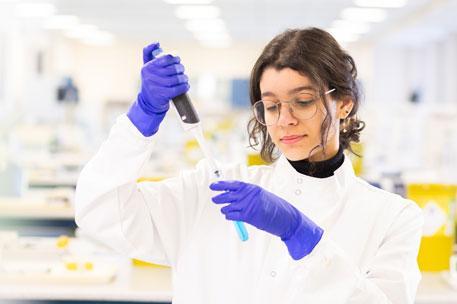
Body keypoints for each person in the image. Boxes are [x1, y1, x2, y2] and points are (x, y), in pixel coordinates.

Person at [75, 28, 423, 303]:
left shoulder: (392, 217)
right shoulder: (214, 191)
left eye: (302, 102)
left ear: (344, 103)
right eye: (271, 106)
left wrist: (304, 238)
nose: (284, 120)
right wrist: (143, 116)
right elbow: (100, 213)